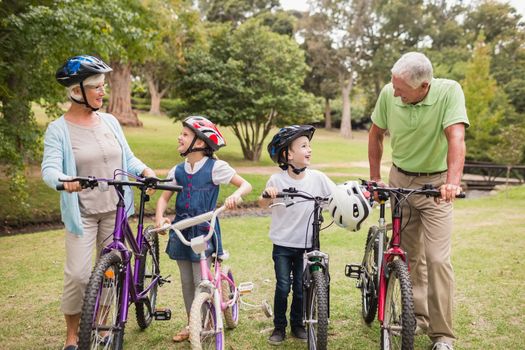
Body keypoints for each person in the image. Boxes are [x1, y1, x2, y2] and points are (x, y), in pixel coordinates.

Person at [41, 55, 156, 350]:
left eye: (103, 85)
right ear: (77, 91)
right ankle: (72, 335)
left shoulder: (110, 121)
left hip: (115, 209)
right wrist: (63, 180)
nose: (103, 91)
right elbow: (50, 168)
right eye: (97, 87)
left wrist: (144, 170)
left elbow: (127, 157)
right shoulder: (59, 130)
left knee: (110, 274)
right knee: (79, 276)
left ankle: (104, 325)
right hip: (83, 213)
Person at [368, 52, 469, 350]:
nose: (394, 91)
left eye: (401, 88)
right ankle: (418, 317)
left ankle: (443, 335)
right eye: (394, 85)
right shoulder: (390, 93)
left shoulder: (449, 92)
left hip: (437, 187)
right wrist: (375, 178)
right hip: (400, 180)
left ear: (424, 86)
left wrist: (452, 181)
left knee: (437, 259)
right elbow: (375, 135)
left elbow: (456, 138)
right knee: (408, 256)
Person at [155, 115, 252, 343]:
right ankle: (193, 323)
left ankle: (205, 321)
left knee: (201, 280)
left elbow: (245, 184)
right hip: (181, 230)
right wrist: (160, 219)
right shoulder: (177, 170)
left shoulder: (215, 167)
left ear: (199, 142)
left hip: (204, 229)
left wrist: (235, 196)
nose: (180, 137)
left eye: (185, 134)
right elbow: (163, 199)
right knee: (187, 281)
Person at [259, 125, 335, 346]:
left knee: (303, 289)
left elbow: (336, 195)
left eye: (309, 145)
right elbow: (262, 203)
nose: (309, 149)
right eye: (303, 146)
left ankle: (298, 324)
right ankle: (279, 327)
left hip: (307, 245)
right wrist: (268, 194)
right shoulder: (277, 180)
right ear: (288, 154)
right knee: (283, 286)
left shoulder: (318, 178)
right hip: (282, 245)